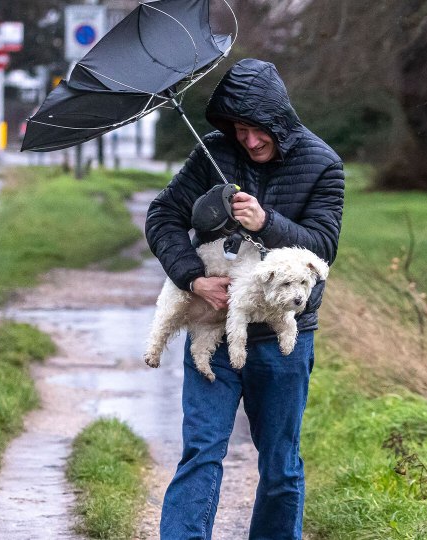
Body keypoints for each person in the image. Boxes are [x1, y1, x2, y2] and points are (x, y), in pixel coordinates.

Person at [145, 58, 345, 539]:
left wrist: (265, 223)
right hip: (213, 325)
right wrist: (194, 279)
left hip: (281, 340)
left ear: (279, 121)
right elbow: (162, 216)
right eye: (239, 129)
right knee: (202, 451)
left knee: (279, 464)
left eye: (258, 130)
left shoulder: (323, 164)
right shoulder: (214, 152)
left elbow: (324, 247)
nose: (249, 140)